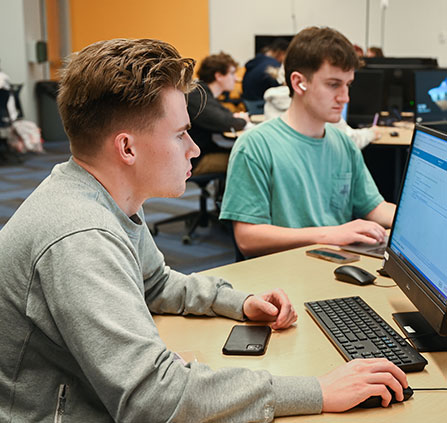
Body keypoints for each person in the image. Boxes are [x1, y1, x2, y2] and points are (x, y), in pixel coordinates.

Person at [0, 38, 408, 422]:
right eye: (180, 135)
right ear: (127, 148)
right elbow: (153, 399)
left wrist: (240, 302)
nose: (194, 148)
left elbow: (154, 284)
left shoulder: (106, 199)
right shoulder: (81, 238)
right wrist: (318, 391)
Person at [220, 26, 396, 258]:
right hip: (283, 276)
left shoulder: (343, 144)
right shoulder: (255, 146)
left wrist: (417, 221)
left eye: (348, 84)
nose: (345, 97)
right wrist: (330, 234)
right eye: (333, 84)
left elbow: (375, 207)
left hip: (336, 267)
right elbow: (247, 238)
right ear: (299, 82)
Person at [187, 52, 249, 175]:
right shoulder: (198, 95)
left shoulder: (202, 92)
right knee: (247, 159)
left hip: (202, 151)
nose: (236, 78)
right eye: (232, 73)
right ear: (219, 76)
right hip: (195, 159)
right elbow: (227, 122)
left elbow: (225, 115)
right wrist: (243, 120)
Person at [242, 38, 289, 113]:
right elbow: (281, 86)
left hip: (247, 101)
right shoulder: (273, 65)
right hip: (258, 104)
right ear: (281, 53)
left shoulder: (258, 60)